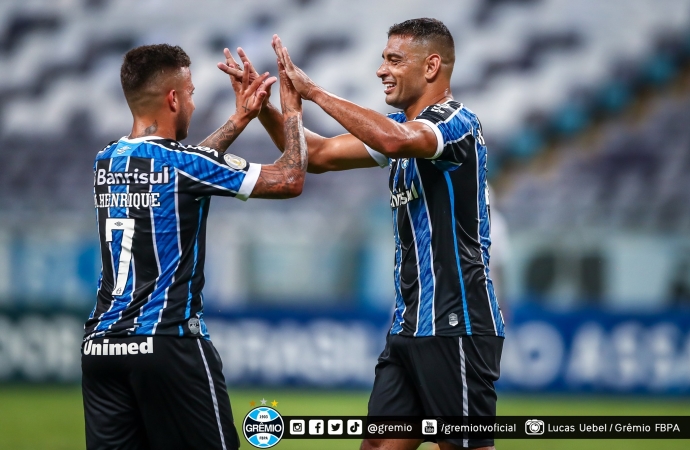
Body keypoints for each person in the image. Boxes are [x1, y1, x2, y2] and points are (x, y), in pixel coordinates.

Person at [220, 18, 504, 450]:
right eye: (382, 59)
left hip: (457, 321)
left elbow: (394, 141)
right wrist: (262, 107)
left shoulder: (455, 123)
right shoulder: (401, 128)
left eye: (394, 60)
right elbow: (318, 154)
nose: (381, 70)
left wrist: (314, 92)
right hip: (411, 323)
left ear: (431, 67)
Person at [82, 43, 307, 450]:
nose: (191, 101)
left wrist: (238, 119)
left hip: (102, 346)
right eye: (190, 93)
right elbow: (290, 178)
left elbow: (180, 169)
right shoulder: (183, 164)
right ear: (173, 98)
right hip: (168, 344)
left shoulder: (106, 161)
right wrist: (291, 110)